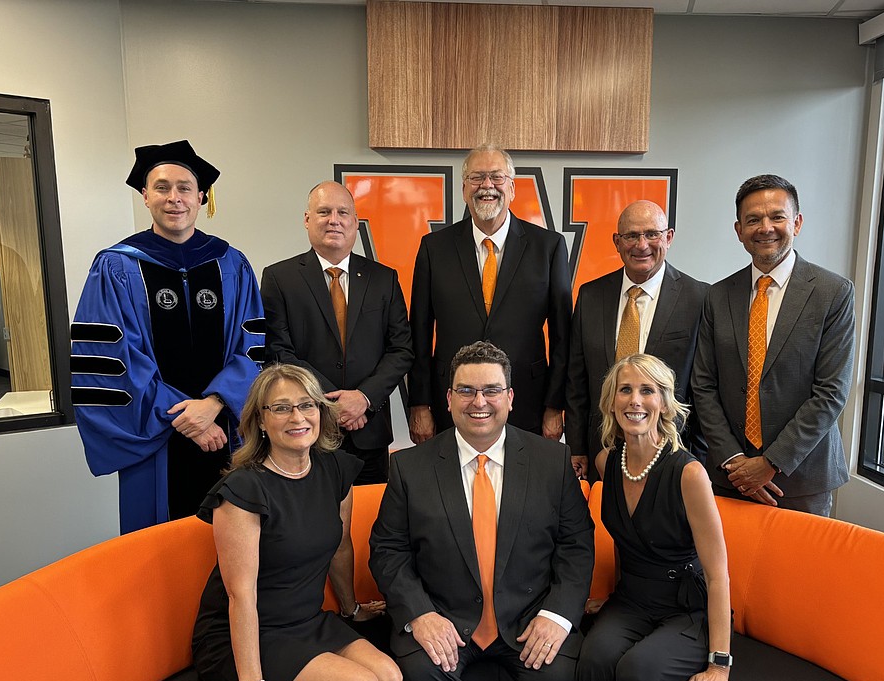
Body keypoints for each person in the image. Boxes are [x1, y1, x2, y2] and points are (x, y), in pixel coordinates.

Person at [370, 341, 593, 681]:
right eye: (466, 390)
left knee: (555, 673)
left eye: (491, 390)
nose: (479, 402)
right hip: (442, 614)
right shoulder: (410, 466)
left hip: (527, 615)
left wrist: (556, 616)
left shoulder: (552, 462)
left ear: (511, 397)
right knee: (425, 673)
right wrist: (420, 616)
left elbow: (577, 547)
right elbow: (388, 550)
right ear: (448, 398)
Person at [191, 363, 400, 681]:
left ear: (321, 413)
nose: (296, 416)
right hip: (245, 635)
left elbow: (339, 546)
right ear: (259, 421)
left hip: (307, 621)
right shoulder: (242, 491)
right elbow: (240, 596)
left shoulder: (335, 470)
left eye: (306, 405)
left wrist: (350, 609)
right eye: (280, 408)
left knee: (390, 679)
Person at [70, 140, 264, 533]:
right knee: (157, 552)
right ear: (145, 196)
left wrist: (213, 405)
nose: (173, 198)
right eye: (161, 187)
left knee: (233, 539)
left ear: (201, 197)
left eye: (184, 188)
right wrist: (187, 418)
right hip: (156, 435)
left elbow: (254, 348)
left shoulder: (232, 263)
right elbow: (113, 361)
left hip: (224, 431)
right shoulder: (116, 266)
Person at [575, 353, 732, 681]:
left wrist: (720, 664)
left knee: (638, 674)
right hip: (633, 600)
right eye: (625, 390)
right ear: (611, 402)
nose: (635, 400)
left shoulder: (689, 473)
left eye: (648, 391)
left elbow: (720, 572)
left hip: (685, 610)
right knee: (595, 661)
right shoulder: (607, 461)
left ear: (665, 403)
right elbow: (629, 538)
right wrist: (610, 594)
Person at [691, 174, 855, 517]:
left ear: (796, 222)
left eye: (777, 216)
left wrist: (771, 463)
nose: (765, 227)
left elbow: (831, 392)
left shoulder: (832, 293)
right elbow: (703, 386)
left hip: (801, 479)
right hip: (729, 476)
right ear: (739, 230)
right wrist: (736, 461)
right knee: (727, 571)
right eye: (753, 220)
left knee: (799, 571)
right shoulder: (717, 296)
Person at [407, 144, 572, 444]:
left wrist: (554, 406)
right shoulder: (434, 248)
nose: (487, 186)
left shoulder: (548, 247)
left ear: (512, 187)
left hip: (527, 400)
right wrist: (419, 404)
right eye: (477, 177)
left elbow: (563, 338)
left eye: (496, 177)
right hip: (452, 401)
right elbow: (418, 332)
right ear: (463, 188)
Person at [260, 180, 413, 484]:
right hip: (306, 430)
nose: (334, 220)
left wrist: (364, 398)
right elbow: (279, 351)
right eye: (324, 212)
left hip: (368, 431)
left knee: (369, 522)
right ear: (307, 220)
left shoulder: (383, 279)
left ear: (355, 223)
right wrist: (331, 403)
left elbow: (401, 349)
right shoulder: (279, 278)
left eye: (343, 212)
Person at [565, 200, 707, 482]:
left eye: (652, 234)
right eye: (631, 235)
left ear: (669, 237)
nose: (642, 244)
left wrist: (698, 458)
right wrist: (577, 447)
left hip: (671, 451)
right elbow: (576, 380)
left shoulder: (699, 298)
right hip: (602, 450)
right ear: (617, 242)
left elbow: (704, 388)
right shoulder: (591, 296)